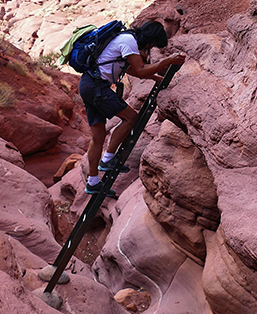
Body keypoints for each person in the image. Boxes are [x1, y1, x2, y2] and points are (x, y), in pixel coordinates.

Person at [79, 21, 186, 195]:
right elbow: (141, 69)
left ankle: (92, 182)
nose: (150, 48)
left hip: (88, 85)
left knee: (98, 137)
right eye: (152, 44)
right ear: (150, 38)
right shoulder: (128, 40)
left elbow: (130, 70)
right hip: (97, 87)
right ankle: (107, 160)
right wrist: (168, 60)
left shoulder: (124, 38)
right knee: (131, 118)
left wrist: (157, 78)